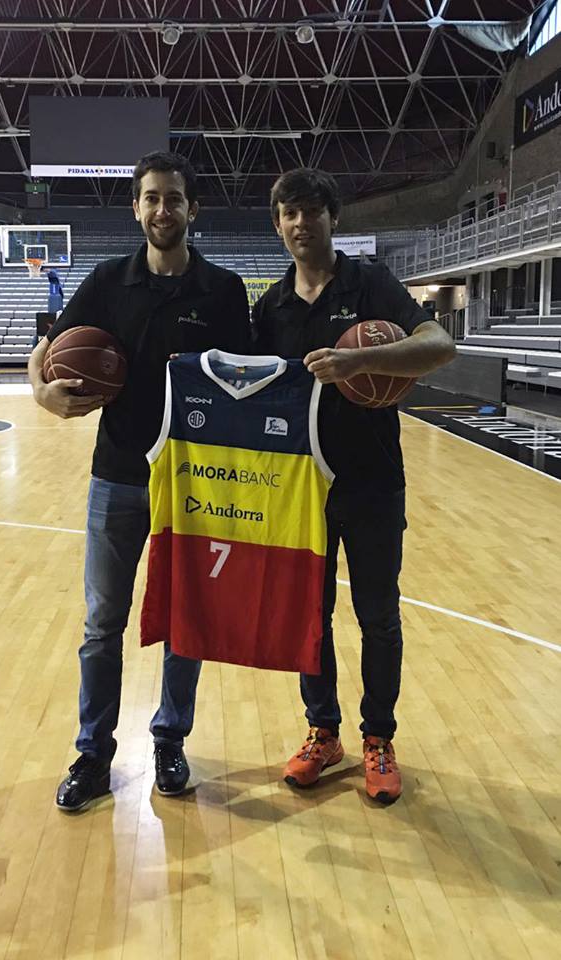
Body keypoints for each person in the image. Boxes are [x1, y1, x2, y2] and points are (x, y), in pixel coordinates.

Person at [28, 151, 250, 812]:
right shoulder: (106, 281)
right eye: (151, 197)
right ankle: (93, 753)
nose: (162, 209)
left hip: (193, 481)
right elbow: (49, 347)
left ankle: (169, 740)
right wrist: (41, 392)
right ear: (136, 207)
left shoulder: (223, 290)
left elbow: (249, 382)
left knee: (187, 620)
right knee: (103, 623)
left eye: (173, 198)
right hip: (118, 476)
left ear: (192, 208)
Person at [252, 168, 455, 804]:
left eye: (312, 210)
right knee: (309, 618)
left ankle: (379, 738)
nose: (301, 223)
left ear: (333, 218)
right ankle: (323, 732)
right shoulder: (271, 307)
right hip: (302, 489)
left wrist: (359, 361)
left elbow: (440, 343)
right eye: (289, 213)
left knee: (378, 617)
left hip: (372, 482)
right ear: (278, 224)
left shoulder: (370, 283)